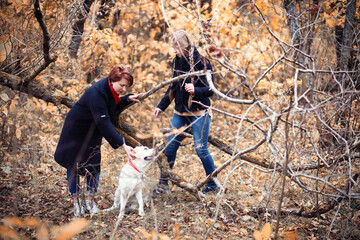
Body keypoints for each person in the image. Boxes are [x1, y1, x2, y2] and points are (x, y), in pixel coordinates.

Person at [54, 64, 142, 217]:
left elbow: (111, 106)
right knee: (73, 165)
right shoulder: (97, 92)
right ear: (112, 80)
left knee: (93, 166)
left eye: (126, 87)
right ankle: (77, 202)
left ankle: (90, 200)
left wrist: (127, 99)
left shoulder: (110, 90)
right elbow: (104, 122)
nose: (123, 89)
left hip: (91, 131)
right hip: (75, 130)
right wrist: (123, 144)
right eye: (122, 85)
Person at [153, 30, 219, 195]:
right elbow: (173, 87)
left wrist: (195, 90)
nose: (174, 51)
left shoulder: (203, 62)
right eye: (173, 47)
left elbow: (211, 90)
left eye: (176, 47)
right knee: (169, 148)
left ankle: (213, 186)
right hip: (180, 113)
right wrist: (161, 106)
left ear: (185, 46)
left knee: (201, 149)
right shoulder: (176, 61)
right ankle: (163, 185)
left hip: (199, 113)